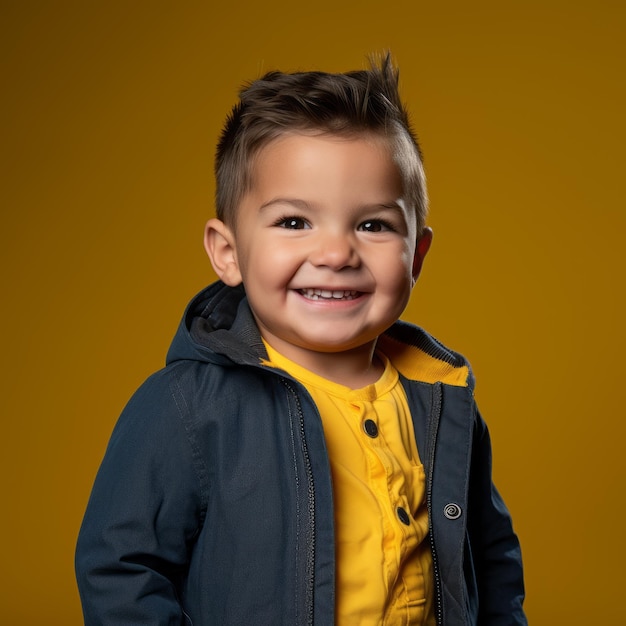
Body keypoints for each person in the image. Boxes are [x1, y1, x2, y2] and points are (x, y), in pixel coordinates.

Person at [75, 54, 526, 625]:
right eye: (294, 222)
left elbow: (489, 561)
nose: (336, 254)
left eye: (373, 224)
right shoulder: (186, 409)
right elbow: (120, 570)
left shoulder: (441, 400)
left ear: (416, 256)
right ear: (229, 252)